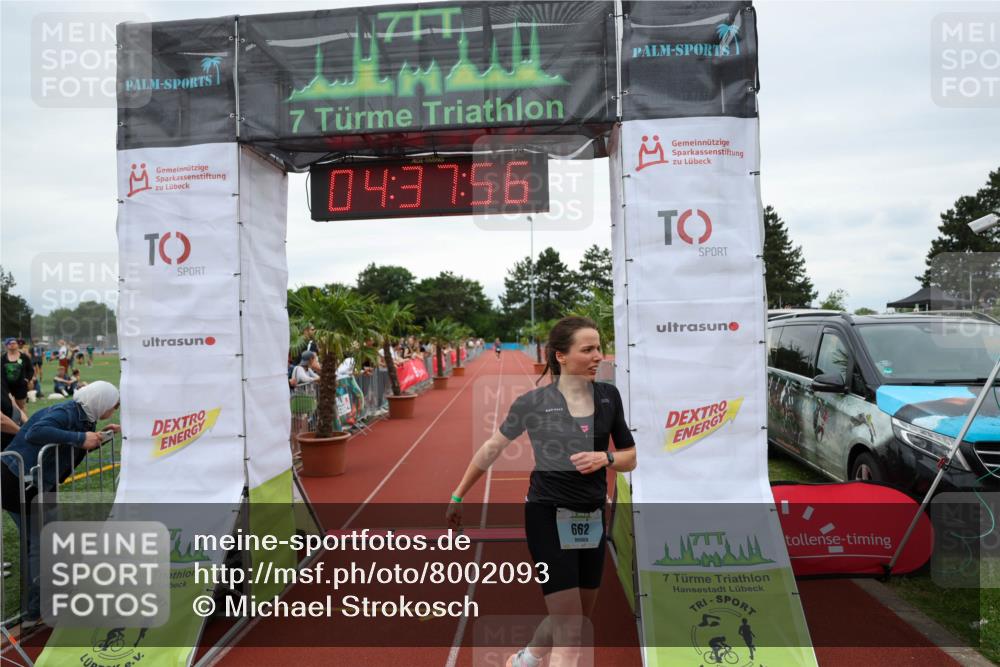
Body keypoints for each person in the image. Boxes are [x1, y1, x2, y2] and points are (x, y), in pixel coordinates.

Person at [447, 317, 637, 667]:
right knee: (571, 631)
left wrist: (605, 457)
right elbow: (492, 447)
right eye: (588, 349)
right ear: (560, 356)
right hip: (547, 515)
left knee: (577, 617)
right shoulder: (533, 403)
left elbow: (630, 458)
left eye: (599, 348)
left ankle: (527, 658)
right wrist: (458, 495)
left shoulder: (609, 396)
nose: (598, 356)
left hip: (591, 516)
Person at [1, 381, 120, 626]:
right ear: (101, 401)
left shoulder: (84, 416)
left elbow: (71, 449)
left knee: (45, 539)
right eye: (113, 406)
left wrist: (98, 438)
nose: (113, 411)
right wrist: (80, 437)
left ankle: (47, 598)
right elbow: (36, 432)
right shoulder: (66, 412)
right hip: (19, 481)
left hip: (34, 483)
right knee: (40, 543)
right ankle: (34, 610)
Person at [3, 337, 35, 410]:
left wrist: (27, 379)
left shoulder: (24, 357)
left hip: (20, 387)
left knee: (21, 407)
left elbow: (30, 370)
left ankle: (26, 421)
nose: (13, 345)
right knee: (8, 407)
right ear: (6, 345)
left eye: (14, 343)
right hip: (7, 388)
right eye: (10, 343)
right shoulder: (3, 358)